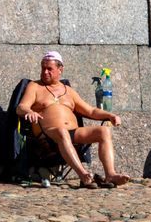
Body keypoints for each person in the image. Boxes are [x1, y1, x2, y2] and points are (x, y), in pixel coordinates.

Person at [16, 51, 130, 187]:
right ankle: (83, 175)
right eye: (43, 68)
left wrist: (110, 115)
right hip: (48, 134)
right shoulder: (34, 86)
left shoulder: (68, 91)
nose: (45, 72)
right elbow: (21, 107)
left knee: (104, 131)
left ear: (60, 70)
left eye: (49, 69)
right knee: (62, 131)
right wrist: (29, 111)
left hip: (73, 132)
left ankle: (110, 174)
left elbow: (90, 110)